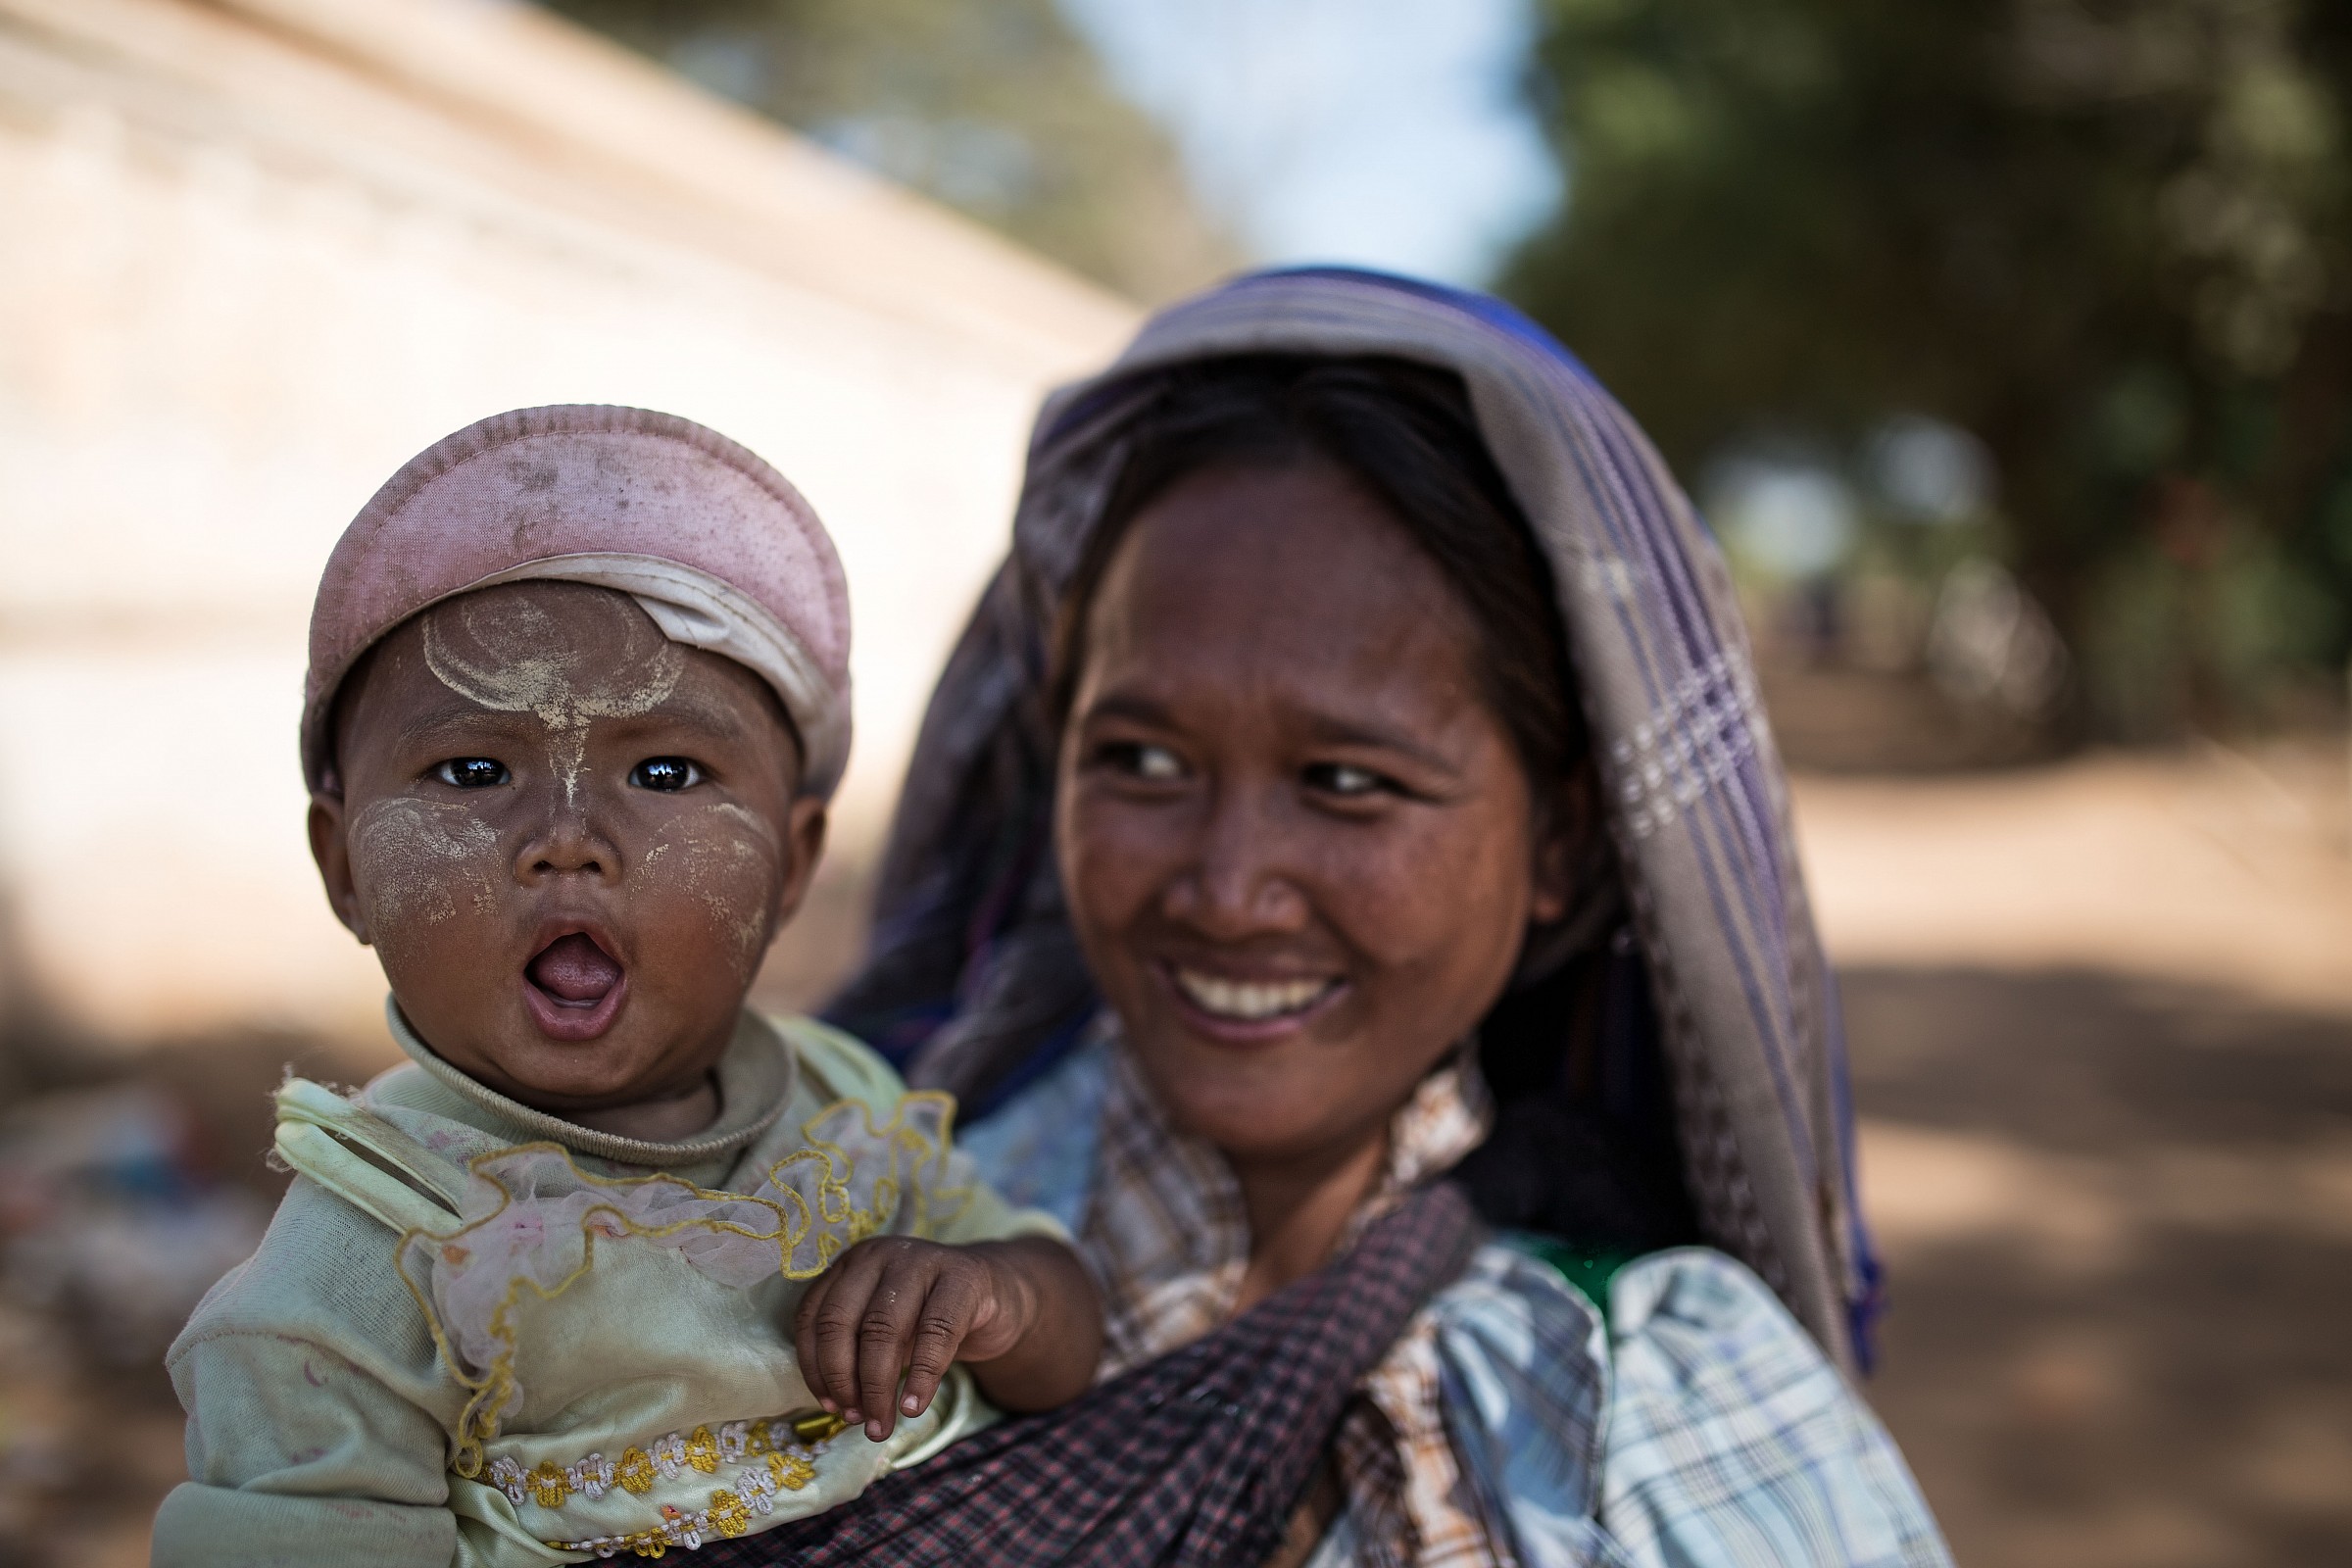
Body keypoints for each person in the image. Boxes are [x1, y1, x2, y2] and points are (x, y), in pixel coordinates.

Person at [813, 269, 1954, 1566]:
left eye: (1349, 783)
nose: (1228, 891)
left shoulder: (1664, 1410)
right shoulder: (798, 1236)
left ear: (1563, 846)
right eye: (1140, 760)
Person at [151, 406, 1103, 1568]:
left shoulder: (844, 1101)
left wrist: (994, 1293)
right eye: (473, 769)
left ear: (794, 860)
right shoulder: (362, 1269)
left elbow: (1069, 1343)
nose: (566, 838)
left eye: (664, 770)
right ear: (343, 866)